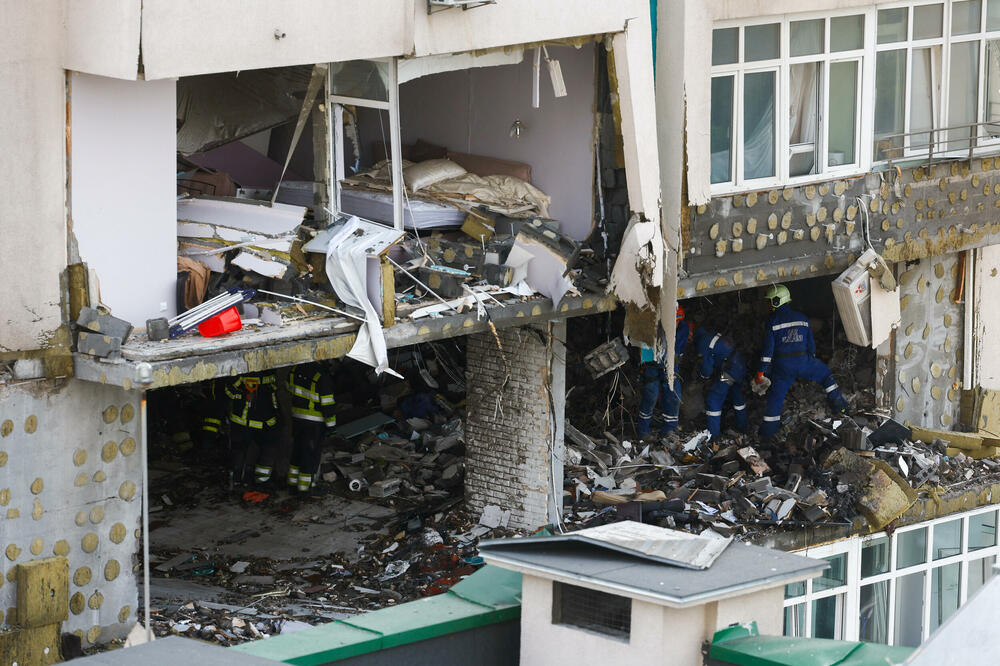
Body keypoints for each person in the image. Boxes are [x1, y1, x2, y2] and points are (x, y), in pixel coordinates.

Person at [755, 284, 849, 440]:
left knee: (775, 398)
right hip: (804, 361)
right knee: (826, 375)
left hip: (783, 366)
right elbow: (811, 346)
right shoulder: (803, 318)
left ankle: (767, 435)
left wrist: (761, 372)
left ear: (777, 301)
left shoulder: (772, 321)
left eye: (770, 301)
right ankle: (841, 407)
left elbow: (768, 351)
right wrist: (809, 363)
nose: (769, 305)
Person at [637, 305, 693, 438]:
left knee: (673, 395)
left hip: (670, 363)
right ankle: (643, 431)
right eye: (673, 322)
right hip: (652, 364)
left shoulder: (683, 329)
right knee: (651, 394)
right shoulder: (652, 327)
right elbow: (645, 351)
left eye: (677, 322)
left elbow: (678, 350)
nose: (675, 325)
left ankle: (669, 430)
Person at [287, 362, 337, 494]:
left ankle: (292, 484)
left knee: (297, 452)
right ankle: (306, 488)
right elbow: (328, 404)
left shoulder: (295, 369)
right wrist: (331, 426)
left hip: (297, 418)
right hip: (314, 423)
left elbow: (289, 387)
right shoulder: (322, 376)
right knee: (310, 455)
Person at [225, 371, 280, 488]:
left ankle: (262, 481)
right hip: (242, 422)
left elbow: (273, 394)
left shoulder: (269, 373)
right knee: (239, 452)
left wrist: (276, 413)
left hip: (263, 422)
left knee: (268, 449)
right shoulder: (242, 372)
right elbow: (228, 390)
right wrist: (243, 396)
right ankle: (234, 480)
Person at [693, 328, 748, 440]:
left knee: (713, 398)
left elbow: (707, 368)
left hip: (729, 371)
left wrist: (703, 377)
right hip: (740, 366)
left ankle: (713, 436)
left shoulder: (703, 342)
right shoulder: (711, 335)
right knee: (736, 396)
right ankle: (743, 428)